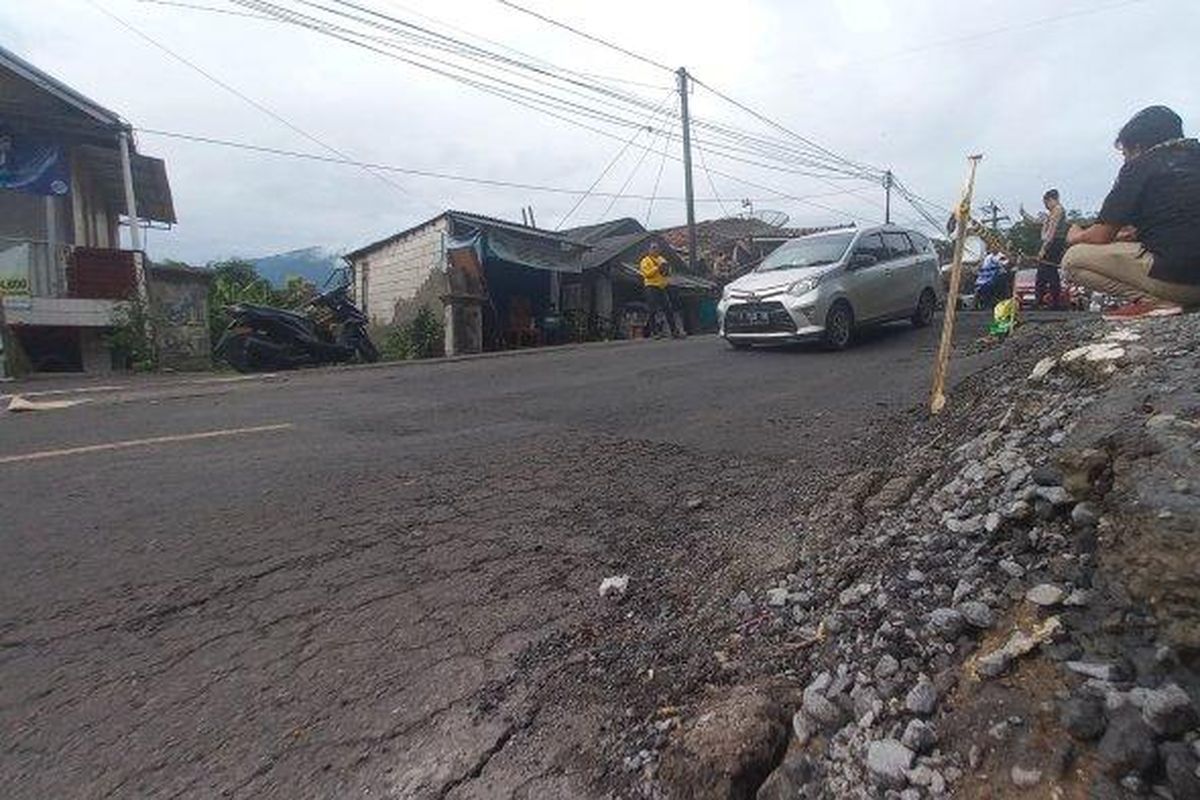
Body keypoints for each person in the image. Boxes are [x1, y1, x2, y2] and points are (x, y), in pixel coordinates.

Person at [1063, 105, 1200, 318]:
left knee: (1073, 259)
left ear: (1137, 146)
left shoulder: (1141, 166)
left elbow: (1100, 235)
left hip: (1183, 282)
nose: (1125, 160)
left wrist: (1075, 235)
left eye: (1125, 154)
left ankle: (1155, 302)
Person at [1021, 189, 1069, 308]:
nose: (1046, 207)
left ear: (1050, 200)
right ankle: (1041, 300)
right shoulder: (1052, 213)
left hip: (1054, 243)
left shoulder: (1057, 210)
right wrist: (1024, 214)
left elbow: (1051, 232)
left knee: (1050, 271)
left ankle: (1053, 302)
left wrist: (1043, 249)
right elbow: (1036, 221)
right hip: (1053, 242)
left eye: (1046, 204)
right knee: (1043, 273)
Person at [639, 241, 683, 338]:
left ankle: (674, 331)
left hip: (662, 287)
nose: (655, 250)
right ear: (649, 250)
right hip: (651, 286)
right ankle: (654, 332)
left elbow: (668, 271)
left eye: (657, 248)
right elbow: (646, 274)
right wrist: (657, 268)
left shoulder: (661, 259)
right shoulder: (645, 261)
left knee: (668, 309)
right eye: (653, 248)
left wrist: (667, 270)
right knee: (652, 310)